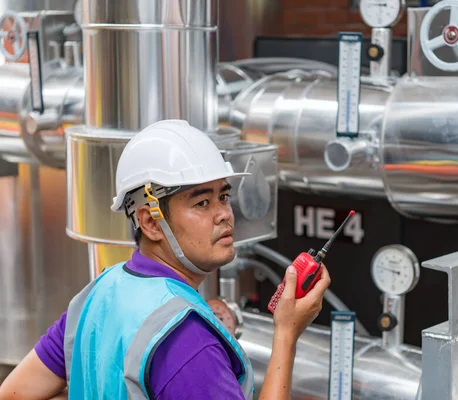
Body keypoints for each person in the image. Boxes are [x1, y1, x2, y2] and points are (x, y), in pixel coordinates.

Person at [0, 119, 331, 400]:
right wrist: (286, 334)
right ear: (150, 222)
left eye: (224, 196)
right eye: (202, 203)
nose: (224, 215)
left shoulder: (98, 293)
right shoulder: (187, 342)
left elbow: (13, 392)